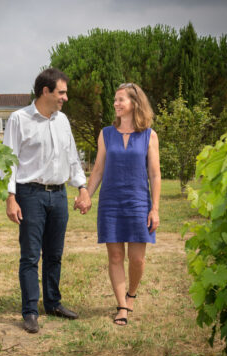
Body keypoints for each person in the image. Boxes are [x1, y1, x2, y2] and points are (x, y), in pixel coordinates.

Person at [3, 68, 91, 334]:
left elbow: (72, 156)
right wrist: (10, 197)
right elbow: (8, 161)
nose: (65, 97)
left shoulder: (62, 121)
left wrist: (83, 187)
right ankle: (30, 311)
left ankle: (53, 303)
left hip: (59, 195)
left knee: (54, 254)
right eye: (61, 92)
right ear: (46, 91)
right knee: (30, 256)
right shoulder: (18, 119)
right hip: (30, 195)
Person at [75, 82, 161, 326]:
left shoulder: (149, 135)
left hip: (138, 202)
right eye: (115, 100)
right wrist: (87, 195)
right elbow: (99, 169)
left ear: (135, 103)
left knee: (137, 259)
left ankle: (131, 294)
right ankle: (121, 306)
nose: (116, 104)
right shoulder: (106, 133)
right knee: (115, 255)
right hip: (111, 202)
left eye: (121, 99)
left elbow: (155, 174)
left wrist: (155, 208)